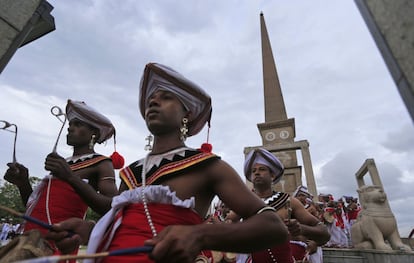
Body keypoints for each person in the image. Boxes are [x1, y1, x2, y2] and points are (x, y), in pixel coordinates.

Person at [46, 62, 289, 263]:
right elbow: (119, 225)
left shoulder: (208, 166)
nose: (153, 102)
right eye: (151, 98)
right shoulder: (131, 172)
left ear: (187, 115)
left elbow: (273, 227)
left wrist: (201, 235)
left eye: (166, 97)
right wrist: (86, 230)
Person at [3, 99, 119, 256]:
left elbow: (111, 206)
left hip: (60, 243)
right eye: (70, 124)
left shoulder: (101, 163)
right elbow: (37, 209)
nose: (70, 128)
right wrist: (23, 182)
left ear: (94, 133)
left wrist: (70, 177)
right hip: (30, 238)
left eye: (78, 125)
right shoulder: (62, 164)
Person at [243, 148, 330, 263]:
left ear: (272, 176)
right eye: (253, 171)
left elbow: (324, 233)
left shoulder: (289, 202)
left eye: (262, 169)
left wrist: (301, 229)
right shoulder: (244, 203)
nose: (257, 173)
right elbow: (228, 226)